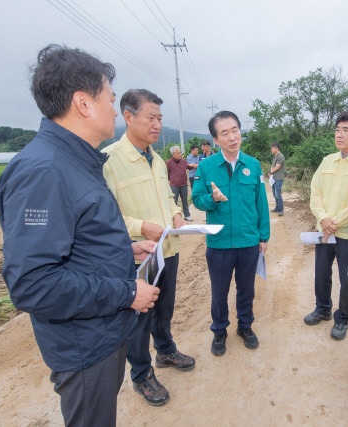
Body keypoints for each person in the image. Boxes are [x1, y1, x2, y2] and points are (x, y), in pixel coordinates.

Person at [0, 45, 159, 426]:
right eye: (110, 99)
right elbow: (33, 283)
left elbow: (76, 238)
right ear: (83, 103)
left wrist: (123, 248)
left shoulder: (75, 161)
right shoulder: (43, 171)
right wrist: (128, 292)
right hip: (84, 344)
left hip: (100, 332)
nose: (114, 110)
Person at [102, 89, 195, 407]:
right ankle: (142, 375)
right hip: (138, 255)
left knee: (164, 307)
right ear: (128, 117)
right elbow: (106, 215)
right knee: (139, 316)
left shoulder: (157, 160)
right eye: (150, 117)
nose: (157, 124)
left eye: (160, 118)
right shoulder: (110, 161)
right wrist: (141, 227)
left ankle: (166, 351)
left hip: (168, 248)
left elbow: (168, 197)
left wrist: (176, 213)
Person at [192, 111, 270, 356]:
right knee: (220, 291)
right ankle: (219, 331)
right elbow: (197, 199)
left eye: (235, 129)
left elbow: (261, 203)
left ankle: (245, 326)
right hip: (219, 242)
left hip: (248, 240)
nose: (232, 136)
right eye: (224, 133)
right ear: (216, 139)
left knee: (246, 288)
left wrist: (263, 237)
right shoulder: (206, 166)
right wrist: (211, 199)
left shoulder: (253, 164)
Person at [304, 109, 348, 340]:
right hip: (324, 232)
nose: (339, 135)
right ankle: (322, 309)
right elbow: (315, 192)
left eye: (346, 130)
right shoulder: (327, 160)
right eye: (337, 130)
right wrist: (323, 219)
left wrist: (336, 222)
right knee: (321, 274)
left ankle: (342, 318)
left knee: (347, 279)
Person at [166, 145, 195, 221]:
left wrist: (195, 165)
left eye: (180, 153)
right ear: (173, 154)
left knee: (184, 201)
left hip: (184, 184)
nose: (180, 154)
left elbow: (190, 167)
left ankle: (187, 215)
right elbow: (166, 173)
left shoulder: (183, 161)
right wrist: (172, 179)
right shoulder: (168, 163)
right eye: (178, 153)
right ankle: (174, 217)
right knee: (174, 201)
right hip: (174, 185)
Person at [269, 142, 286, 216]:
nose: (271, 150)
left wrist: (271, 172)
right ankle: (277, 208)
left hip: (279, 178)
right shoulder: (275, 156)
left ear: (276, 148)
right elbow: (272, 166)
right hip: (274, 178)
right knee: (274, 194)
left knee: (278, 194)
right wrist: (270, 172)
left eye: (272, 149)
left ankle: (281, 210)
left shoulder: (280, 156)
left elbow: (277, 167)